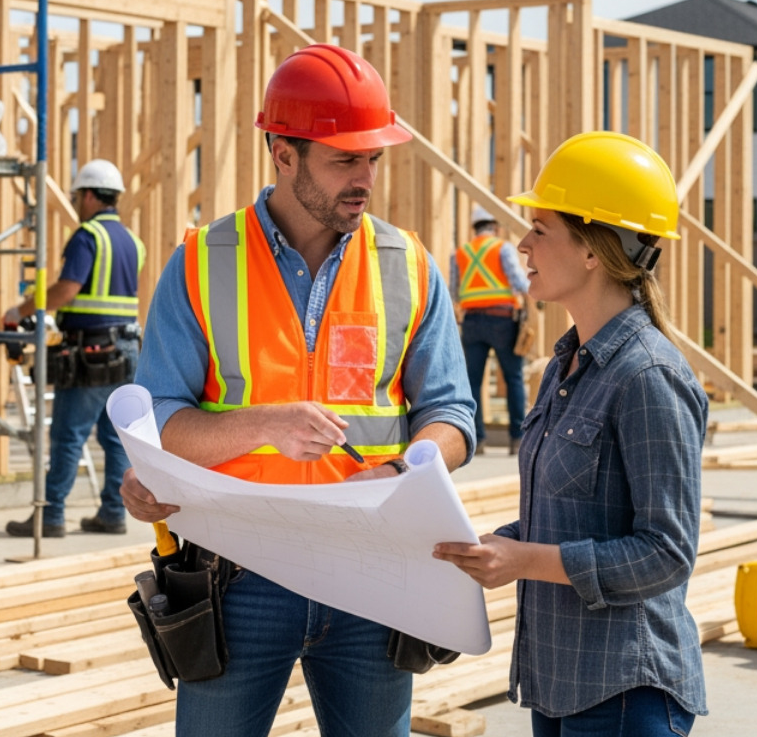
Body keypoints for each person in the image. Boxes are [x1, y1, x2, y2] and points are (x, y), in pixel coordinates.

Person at [121, 44, 476, 737]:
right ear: (284, 155)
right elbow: (158, 421)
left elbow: (452, 414)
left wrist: (406, 469)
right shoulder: (202, 262)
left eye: (373, 158)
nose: (365, 179)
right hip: (237, 576)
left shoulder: (408, 265)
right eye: (345, 160)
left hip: (374, 575)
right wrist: (263, 425)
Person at [433, 131, 708, 736]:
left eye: (540, 229)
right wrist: (497, 544)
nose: (522, 244)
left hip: (625, 689)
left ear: (592, 251)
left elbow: (666, 553)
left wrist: (524, 559)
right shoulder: (564, 366)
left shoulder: (649, 376)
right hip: (559, 679)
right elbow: (572, 513)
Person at [3, 160, 144, 537]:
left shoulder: (88, 236)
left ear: (90, 196)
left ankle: (50, 516)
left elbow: (67, 289)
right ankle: (113, 513)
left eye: (78, 196)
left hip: (92, 353)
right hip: (127, 349)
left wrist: (21, 310)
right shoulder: (132, 241)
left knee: (68, 435)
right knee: (114, 437)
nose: (76, 203)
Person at [453, 205, 530, 455]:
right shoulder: (502, 248)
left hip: (472, 322)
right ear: (494, 227)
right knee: (513, 378)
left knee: (472, 382)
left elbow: (455, 291)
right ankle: (517, 440)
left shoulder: (461, 252)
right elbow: (519, 282)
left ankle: (477, 440)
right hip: (502, 320)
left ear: (474, 227)